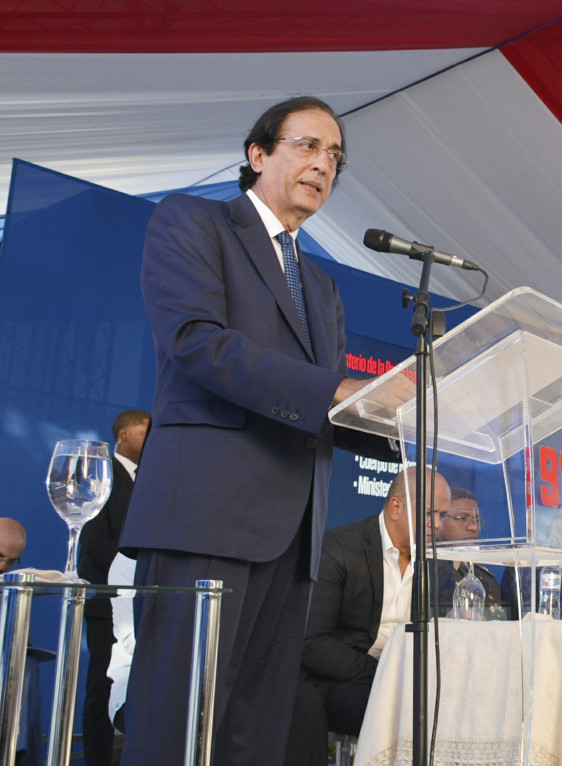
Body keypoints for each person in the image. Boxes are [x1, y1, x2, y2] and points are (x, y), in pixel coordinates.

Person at [119, 96, 399, 766]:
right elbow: (197, 343)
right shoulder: (194, 221)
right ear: (258, 153)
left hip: (293, 535)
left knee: (255, 733)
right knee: (179, 723)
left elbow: (325, 408)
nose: (324, 164)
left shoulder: (322, 285)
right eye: (308, 145)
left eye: (335, 156)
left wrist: (400, 420)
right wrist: (336, 389)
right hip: (207, 518)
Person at [295, 469, 447, 764]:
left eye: (443, 515)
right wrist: (384, 673)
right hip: (339, 680)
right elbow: (312, 643)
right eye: (430, 513)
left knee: (450, 707)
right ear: (395, 507)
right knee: (404, 712)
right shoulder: (339, 547)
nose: (438, 524)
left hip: (405, 680)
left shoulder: (435, 564)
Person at [79, 408, 149, 766]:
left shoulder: (148, 479)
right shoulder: (101, 474)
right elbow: (92, 536)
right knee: (102, 685)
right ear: (124, 435)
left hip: (139, 601)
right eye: (145, 433)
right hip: (106, 599)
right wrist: (131, 570)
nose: (152, 442)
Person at [433, 488, 502, 615]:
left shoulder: (487, 580)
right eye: (462, 518)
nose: (473, 527)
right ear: (439, 520)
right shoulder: (428, 573)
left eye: (477, 521)